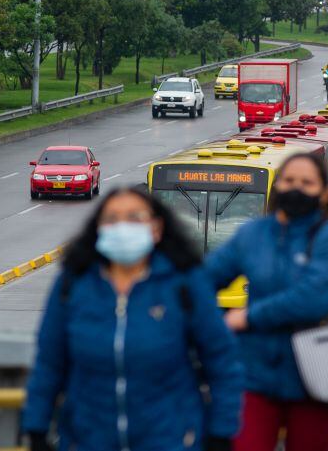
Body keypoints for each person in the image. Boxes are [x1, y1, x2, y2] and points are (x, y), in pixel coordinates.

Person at [23, 188, 242, 451]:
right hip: (88, 440)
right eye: (112, 219)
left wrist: (222, 432)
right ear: (98, 230)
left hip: (171, 440)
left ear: (157, 228)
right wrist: (36, 428)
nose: (123, 227)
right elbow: (49, 362)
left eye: (135, 217)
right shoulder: (73, 285)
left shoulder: (184, 284)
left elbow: (222, 361)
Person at [205, 152, 328, 451]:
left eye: (306, 182)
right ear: (277, 187)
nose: (296, 188)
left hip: (315, 376)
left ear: (324, 193)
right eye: (289, 180)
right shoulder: (253, 233)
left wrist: (247, 317)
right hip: (254, 375)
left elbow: (313, 299)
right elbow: (204, 277)